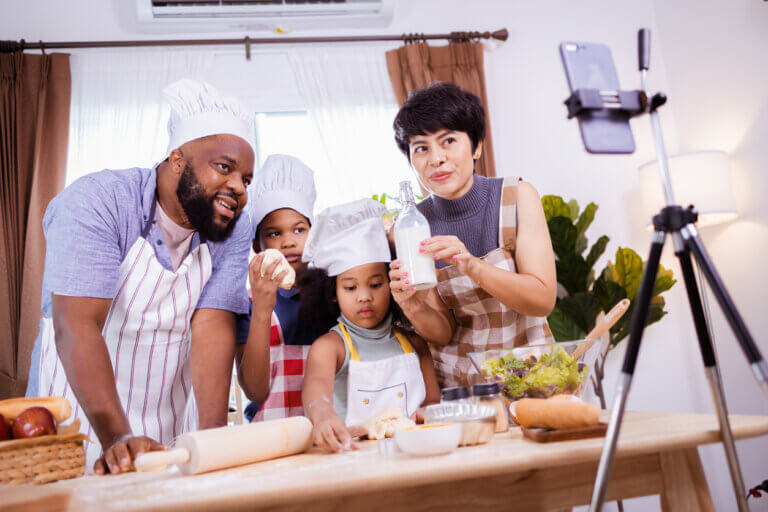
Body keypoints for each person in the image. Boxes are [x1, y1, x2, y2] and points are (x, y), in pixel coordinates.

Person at [26, 79, 255, 474]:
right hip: (76, 419)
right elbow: (75, 323)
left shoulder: (232, 227)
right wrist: (117, 439)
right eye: (225, 167)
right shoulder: (99, 201)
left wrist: (214, 441)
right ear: (177, 157)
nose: (238, 187)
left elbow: (212, 328)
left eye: (246, 179)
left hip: (166, 431)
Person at [389, 82, 557, 387]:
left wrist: (472, 265)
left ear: (477, 145)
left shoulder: (516, 196)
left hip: (533, 379)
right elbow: (443, 332)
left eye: (448, 140)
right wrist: (411, 305)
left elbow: (542, 300)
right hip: (460, 391)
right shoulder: (412, 227)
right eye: (421, 148)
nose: (436, 159)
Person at [300, 199, 440, 453]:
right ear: (332, 292)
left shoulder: (414, 343)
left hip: (415, 456)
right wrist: (321, 416)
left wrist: (427, 412)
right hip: (354, 461)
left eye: (375, 284)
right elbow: (316, 388)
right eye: (350, 287)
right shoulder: (331, 347)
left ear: (393, 283)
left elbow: (431, 400)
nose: (364, 296)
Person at [235, 154, 323, 421]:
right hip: (273, 438)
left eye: (299, 230)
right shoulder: (247, 304)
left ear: (314, 233)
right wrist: (262, 309)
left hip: (330, 434)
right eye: (274, 233)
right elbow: (255, 391)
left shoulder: (336, 294)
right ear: (256, 246)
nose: (288, 242)